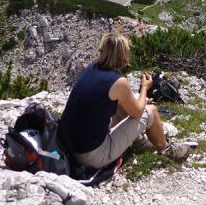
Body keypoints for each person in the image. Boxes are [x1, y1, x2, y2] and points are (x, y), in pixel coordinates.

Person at [59, 33, 189, 168]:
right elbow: (138, 112)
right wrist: (144, 88)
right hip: (91, 156)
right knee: (151, 111)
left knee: (124, 105)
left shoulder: (91, 68)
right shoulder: (118, 82)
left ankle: (138, 140)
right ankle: (166, 150)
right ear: (122, 55)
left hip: (68, 146)